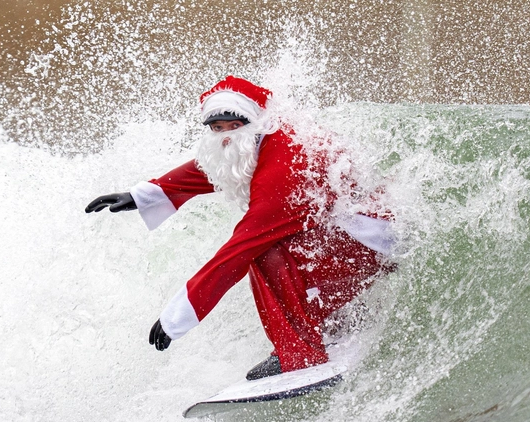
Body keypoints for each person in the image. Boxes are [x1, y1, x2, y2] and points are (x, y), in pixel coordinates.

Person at [86, 76, 395, 380]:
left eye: (234, 126)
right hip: (354, 238)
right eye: (217, 128)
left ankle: (300, 354)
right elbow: (222, 164)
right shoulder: (269, 135)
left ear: (252, 122)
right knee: (285, 246)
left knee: (264, 252)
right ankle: (336, 321)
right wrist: (144, 195)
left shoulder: (283, 170)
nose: (226, 136)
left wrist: (177, 317)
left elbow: (237, 253)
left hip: (369, 245)